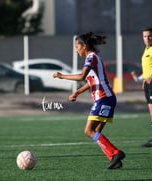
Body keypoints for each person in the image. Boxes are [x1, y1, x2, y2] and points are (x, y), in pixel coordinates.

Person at [53, 32, 125, 169]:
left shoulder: (91, 58)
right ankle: (114, 159)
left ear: (84, 46)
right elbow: (90, 81)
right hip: (107, 98)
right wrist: (78, 92)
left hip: (104, 98)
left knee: (88, 131)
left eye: (76, 46)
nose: (76, 50)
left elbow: (81, 76)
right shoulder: (92, 58)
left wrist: (62, 76)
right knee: (96, 131)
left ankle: (116, 153)